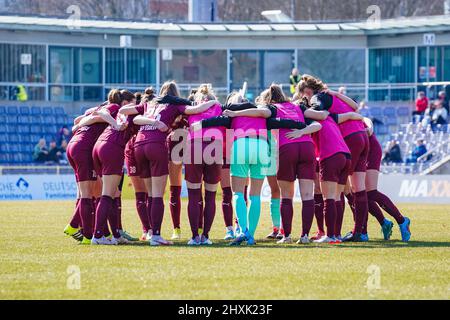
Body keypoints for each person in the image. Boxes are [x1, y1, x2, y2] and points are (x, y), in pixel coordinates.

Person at [132, 81, 219, 246]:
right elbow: (196, 109)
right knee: (178, 193)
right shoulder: (178, 105)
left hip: (142, 145)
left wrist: (151, 121)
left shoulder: (151, 104)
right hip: (169, 148)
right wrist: (213, 102)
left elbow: (130, 114)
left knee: (156, 194)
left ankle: (154, 231)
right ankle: (195, 234)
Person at [297, 75, 369, 242]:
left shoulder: (312, 115)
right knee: (337, 197)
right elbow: (353, 114)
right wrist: (365, 122)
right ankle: (336, 235)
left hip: (330, 156)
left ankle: (330, 235)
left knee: (328, 198)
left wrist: (300, 129)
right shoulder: (332, 116)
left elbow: (318, 121)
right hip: (346, 155)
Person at [63, 91, 123, 244]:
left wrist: (83, 123)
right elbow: (98, 116)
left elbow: (77, 121)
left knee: (87, 192)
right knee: (89, 193)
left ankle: (86, 230)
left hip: (74, 145)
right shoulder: (115, 107)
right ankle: (86, 234)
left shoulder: (95, 108)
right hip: (84, 147)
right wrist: (114, 123)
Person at [363, 117, 411, 242]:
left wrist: (368, 129)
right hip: (360, 152)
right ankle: (384, 223)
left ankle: (402, 220)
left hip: (371, 151)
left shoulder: (360, 118)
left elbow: (369, 124)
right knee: (362, 195)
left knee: (371, 192)